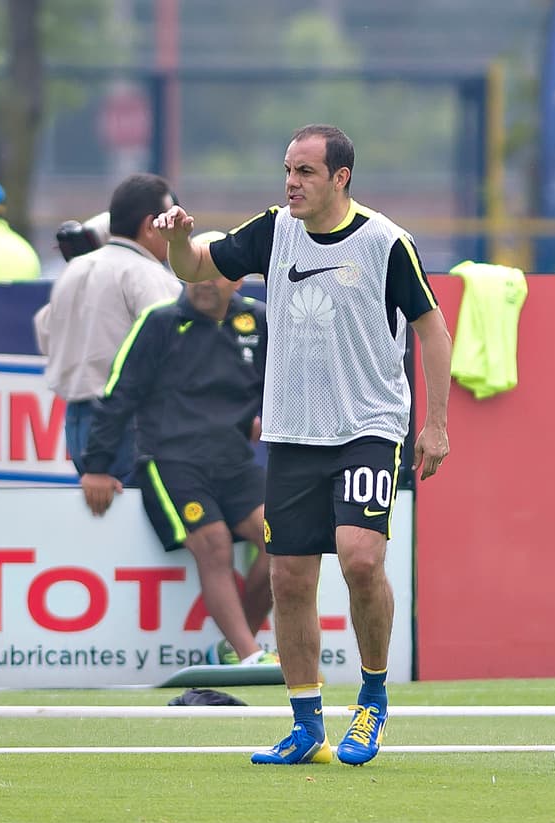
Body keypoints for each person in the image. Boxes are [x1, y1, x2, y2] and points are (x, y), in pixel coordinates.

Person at [153, 124, 453, 767]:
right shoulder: (274, 229)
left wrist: (435, 424)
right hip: (293, 431)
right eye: (287, 170)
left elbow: (432, 328)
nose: (291, 183)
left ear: (341, 177)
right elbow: (195, 268)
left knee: (361, 561)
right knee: (289, 578)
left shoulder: (385, 242)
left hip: (368, 426)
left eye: (306, 172)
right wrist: (178, 240)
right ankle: (305, 723)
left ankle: (371, 701)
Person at [78, 230, 274, 667]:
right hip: (170, 461)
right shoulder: (159, 322)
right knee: (216, 543)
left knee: (281, 540)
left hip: (235, 462)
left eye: (214, 272)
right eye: (194, 271)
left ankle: (234, 648)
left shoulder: (258, 321)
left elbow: (283, 388)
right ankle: (249, 654)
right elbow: (117, 396)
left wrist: (267, 418)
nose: (203, 280)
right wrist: (95, 467)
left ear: (238, 279)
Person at [34, 174, 184, 484]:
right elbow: (176, 349)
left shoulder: (74, 268)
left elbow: (45, 332)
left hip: (76, 420)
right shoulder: (148, 274)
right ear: (149, 226)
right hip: (127, 421)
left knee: (108, 524)